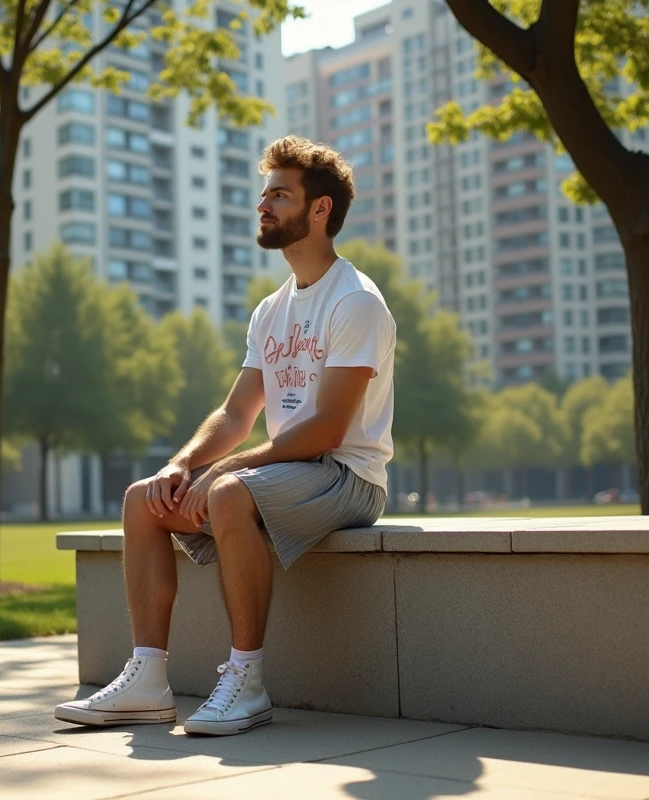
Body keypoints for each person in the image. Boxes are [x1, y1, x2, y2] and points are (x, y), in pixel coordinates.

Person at [55, 136, 396, 737]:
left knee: (230, 492)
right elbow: (237, 414)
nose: (263, 205)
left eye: (280, 195)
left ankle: (247, 682)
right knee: (144, 498)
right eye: (263, 194)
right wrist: (183, 465)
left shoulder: (356, 301)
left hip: (348, 477)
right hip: (290, 471)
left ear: (319, 210)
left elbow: (327, 429)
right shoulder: (271, 310)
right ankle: (148, 679)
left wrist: (226, 472)